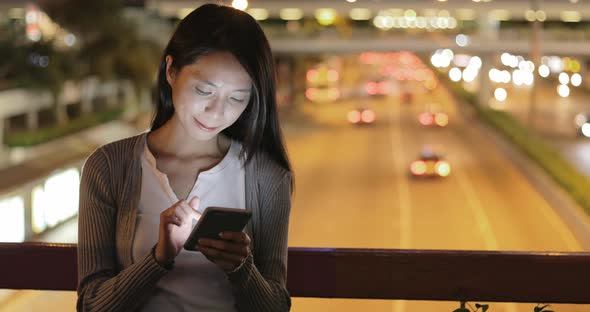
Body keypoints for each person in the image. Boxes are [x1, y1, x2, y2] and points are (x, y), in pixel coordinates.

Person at [76, 4, 293, 311]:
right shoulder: (110, 167)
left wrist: (242, 269)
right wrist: (159, 258)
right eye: (204, 90)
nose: (217, 112)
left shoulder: (268, 178)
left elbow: (276, 306)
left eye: (237, 98)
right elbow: (91, 304)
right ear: (171, 70)